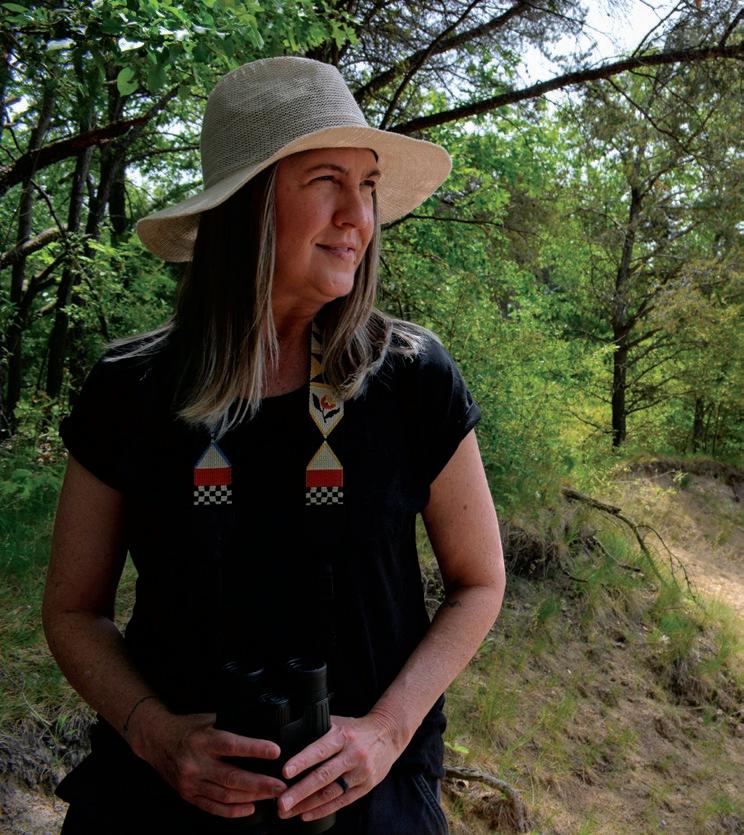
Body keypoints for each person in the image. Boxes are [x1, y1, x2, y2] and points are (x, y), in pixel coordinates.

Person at [43, 57, 505, 834]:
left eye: (367, 185)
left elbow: (480, 582)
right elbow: (72, 608)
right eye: (327, 180)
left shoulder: (410, 378)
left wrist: (385, 733)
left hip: (367, 802)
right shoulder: (131, 390)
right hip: (159, 799)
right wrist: (157, 735)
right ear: (248, 204)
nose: (358, 216)